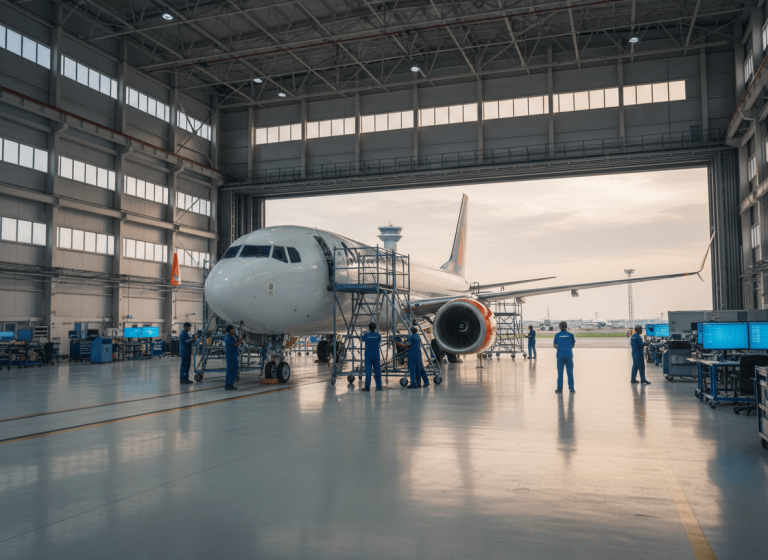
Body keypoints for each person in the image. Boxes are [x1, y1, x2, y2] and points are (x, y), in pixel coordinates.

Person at [553, 321, 576, 393]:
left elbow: (554, 345)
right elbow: (573, 345)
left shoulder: (557, 335)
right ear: (566, 326)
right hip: (569, 355)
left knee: (560, 373)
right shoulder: (571, 335)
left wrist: (559, 348)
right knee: (570, 372)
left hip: (560, 355)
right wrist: (567, 348)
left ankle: (559, 388)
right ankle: (571, 388)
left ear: (560, 327)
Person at [360, 322, 383, 391]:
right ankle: (379, 386)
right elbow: (379, 341)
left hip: (368, 355)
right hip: (376, 355)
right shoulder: (378, 335)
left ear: (369, 328)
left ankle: (367, 387)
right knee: (377, 371)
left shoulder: (366, 335)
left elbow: (362, 339)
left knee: (368, 372)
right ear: (375, 328)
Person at [224, 325, 244, 390]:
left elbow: (237, 340)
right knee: (230, 370)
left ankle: (231, 384)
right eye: (232, 330)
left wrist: (240, 338)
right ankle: (228, 385)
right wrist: (241, 340)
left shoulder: (232, 337)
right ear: (230, 331)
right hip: (231, 357)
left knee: (234, 370)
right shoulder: (228, 338)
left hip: (234, 356)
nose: (233, 331)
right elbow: (235, 344)